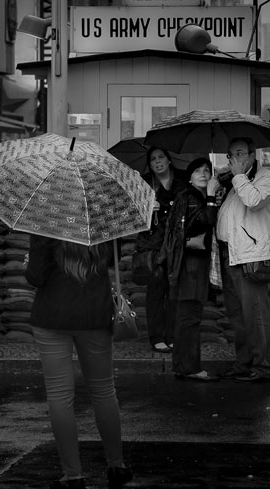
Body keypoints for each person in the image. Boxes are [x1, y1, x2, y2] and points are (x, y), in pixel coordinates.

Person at [25, 236, 133, 489]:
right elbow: (112, 260)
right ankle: (116, 466)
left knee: (59, 395)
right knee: (104, 391)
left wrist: (28, 264)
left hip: (53, 316)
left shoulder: (46, 223)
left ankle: (73, 476)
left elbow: (36, 277)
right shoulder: (101, 219)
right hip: (95, 314)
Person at [215, 137, 270, 383]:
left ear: (253, 155)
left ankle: (264, 367)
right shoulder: (233, 182)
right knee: (238, 315)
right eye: (231, 155)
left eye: (240, 153)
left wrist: (238, 176)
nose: (235, 159)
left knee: (256, 314)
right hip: (231, 254)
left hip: (250, 256)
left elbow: (253, 202)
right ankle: (244, 363)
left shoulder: (265, 178)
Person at [162, 157, 220, 382]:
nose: (204, 174)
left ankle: (183, 365)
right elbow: (206, 220)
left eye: (207, 170)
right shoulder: (190, 197)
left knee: (189, 316)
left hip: (196, 265)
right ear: (190, 177)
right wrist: (213, 198)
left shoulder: (197, 196)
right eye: (198, 170)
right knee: (189, 317)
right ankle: (189, 367)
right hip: (190, 266)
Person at [137, 147, 187, 354]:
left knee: (175, 292)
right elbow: (133, 215)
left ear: (169, 160)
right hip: (153, 245)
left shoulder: (182, 183)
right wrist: (146, 209)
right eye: (153, 159)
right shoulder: (144, 184)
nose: (158, 162)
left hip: (176, 244)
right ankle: (156, 337)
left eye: (161, 157)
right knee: (156, 292)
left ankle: (173, 336)